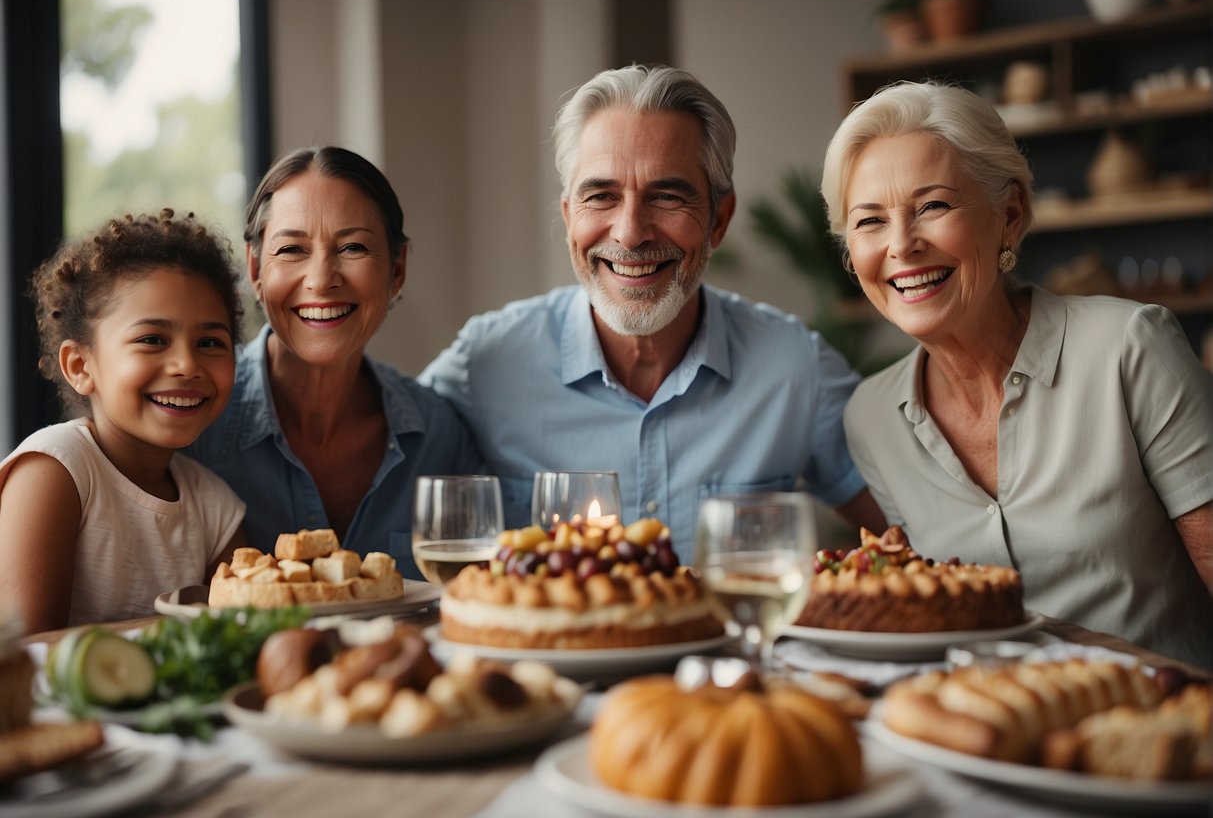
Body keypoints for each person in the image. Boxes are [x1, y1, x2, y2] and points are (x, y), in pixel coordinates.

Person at [820, 80, 1213, 668]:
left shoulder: (1130, 348)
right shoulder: (871, 418)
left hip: (1159, 732)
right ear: (852, 254)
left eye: (933, 206)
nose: (901, 245)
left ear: (1009, 215)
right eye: (870, 221)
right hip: (996, 734)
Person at [421, 64, 884, 558]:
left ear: (718, 221)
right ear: (567, 217)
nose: (629, 232)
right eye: (600, 196)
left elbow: (915, 536)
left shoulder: (794, 368)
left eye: (666, 197)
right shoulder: (484, 361)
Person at [186, 146, 481, 580]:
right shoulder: (193, 425)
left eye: (353, 246)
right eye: (291, 250)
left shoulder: (438, 435)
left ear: (396, 270)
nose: (322, 280)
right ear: (255, 270)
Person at [0, 209, 248, 633]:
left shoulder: (215, 506)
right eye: (152, 339)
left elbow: (241, 635)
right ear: (80, 365)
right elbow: (28, 652)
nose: (187, 364)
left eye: (210, 342)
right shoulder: (56, 469)